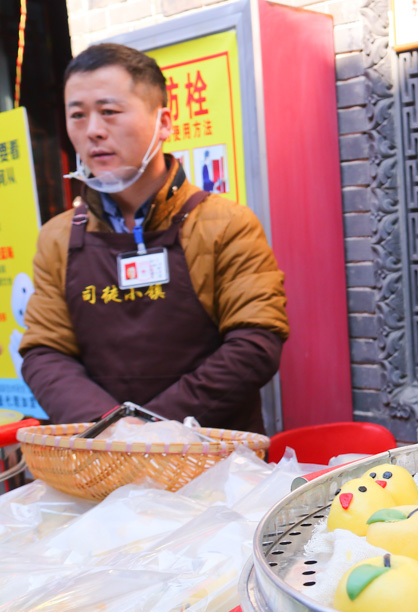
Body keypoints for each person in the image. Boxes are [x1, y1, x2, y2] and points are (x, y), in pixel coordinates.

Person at [19, 44, 288, 433]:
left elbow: (255, 341)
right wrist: (109, 427)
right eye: (77, 115)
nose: (93, 130)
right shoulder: (57, 237)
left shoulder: (226, 223)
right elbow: (45, 351)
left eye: (109, 112)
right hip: (103, 456)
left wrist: (151, 428)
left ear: (163, 122)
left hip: (214, 460)